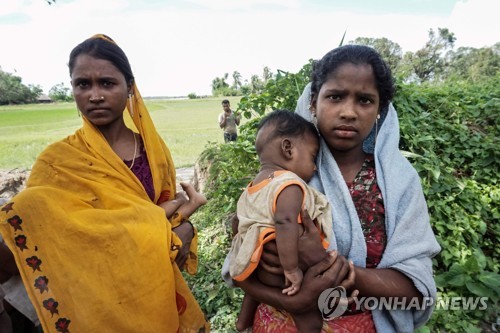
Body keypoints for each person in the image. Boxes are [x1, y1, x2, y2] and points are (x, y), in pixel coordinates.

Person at [0, 34, 209, 332]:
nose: (94, 95)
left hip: (148, 286)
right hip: (90, 299)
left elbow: (163, 223)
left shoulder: (153, 153)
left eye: (107, 83)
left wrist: (183, 226)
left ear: (129, 89)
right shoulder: (57, 162)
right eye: (83, 84)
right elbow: (45, 233)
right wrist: (173, 218)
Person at [225, 45, 441, 332]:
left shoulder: (399, 182)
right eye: (335, 97)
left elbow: (415, 289)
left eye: (365, 100)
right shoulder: (285, 172)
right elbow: (242, 264)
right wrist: (291, 301)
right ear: (313, 102)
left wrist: (336, 268)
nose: (349, 112)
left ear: (380, 111)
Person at [228, 110, 336, 332]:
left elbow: (238, 223)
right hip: (279, 272)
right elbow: (285, 222)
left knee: (251, 294)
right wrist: (292, 269)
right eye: (313, 157)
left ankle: (243, 321)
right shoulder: (289, 184)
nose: (315, 167)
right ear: (288, 149)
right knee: (310, 316)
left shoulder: (252, 187)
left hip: (255, 269)